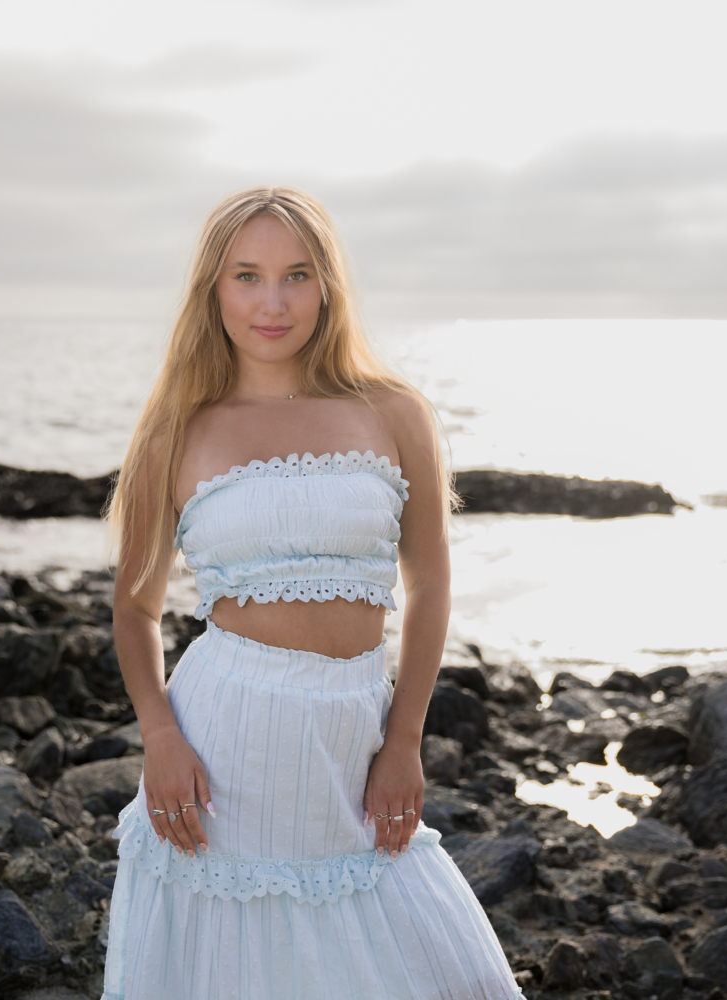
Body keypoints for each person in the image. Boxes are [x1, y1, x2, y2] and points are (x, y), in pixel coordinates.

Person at [100, 186, 522, 999]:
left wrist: (404, 742)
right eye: (247, 276)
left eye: (295, 276)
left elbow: (430, 582)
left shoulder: (394, 412)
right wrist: (159, 735)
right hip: (225, 745)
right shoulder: (176, 430)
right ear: (213, 290)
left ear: (327, 285)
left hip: (354, 735)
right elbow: (136, 605)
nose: (272, 302)